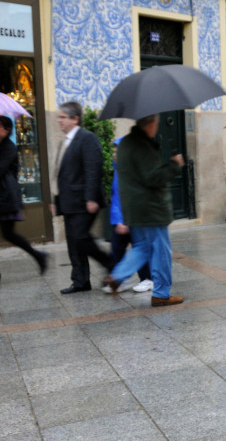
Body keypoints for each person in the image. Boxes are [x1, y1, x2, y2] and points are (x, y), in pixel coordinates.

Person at [103, 114, 184, 307]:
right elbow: (153, 177)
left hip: (133, 209)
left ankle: (117, 276)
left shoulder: (124, 144)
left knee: (142, 248)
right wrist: (174, 165)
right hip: (151, 209)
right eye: (156, 122)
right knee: (162, 251)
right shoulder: (142, 145)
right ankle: (161, 294)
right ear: (151, 124)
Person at [52, 101, 113, 294]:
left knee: (80, 237)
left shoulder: (87, 138)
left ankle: (110, 263)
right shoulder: (64, 142)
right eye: (59, 117)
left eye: (62, 117)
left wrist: (91, 198)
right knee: (74, 242)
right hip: (69, 202)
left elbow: (93, 169)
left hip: (84, 201)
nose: (59, 121)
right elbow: (61, 174)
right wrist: (56, 202)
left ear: (75, 119)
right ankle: (80, 281)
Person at [0, 115, 48, 285]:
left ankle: (39, 256)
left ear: (7, 129)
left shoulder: (9, 147)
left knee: (8, 234)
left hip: (6, 197)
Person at [106, 137, 152, 293]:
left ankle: (148, 279)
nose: (114, 154)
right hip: (120, 217)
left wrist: (124, 219)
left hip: (131, 218)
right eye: (114, 150)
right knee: (117, 248)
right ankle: (120, 278)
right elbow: (117, 195)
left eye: (118, 151)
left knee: (139, 248)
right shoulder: (120, 170)